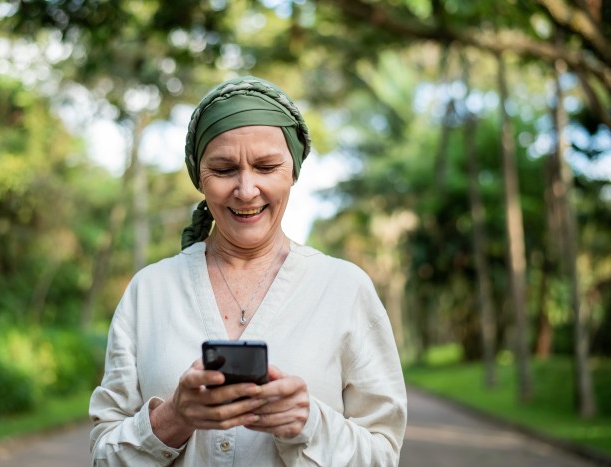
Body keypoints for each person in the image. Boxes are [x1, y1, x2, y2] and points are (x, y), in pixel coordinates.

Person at [89, 76, 407, 466]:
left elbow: (382, 455)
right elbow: (104, 455)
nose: (246, 189)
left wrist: (308, 424)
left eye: (266, 166)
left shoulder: (345, 289)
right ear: (199, 177)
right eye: (223, 169)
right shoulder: (149, 291)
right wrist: (173, 418)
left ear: (292, 171)